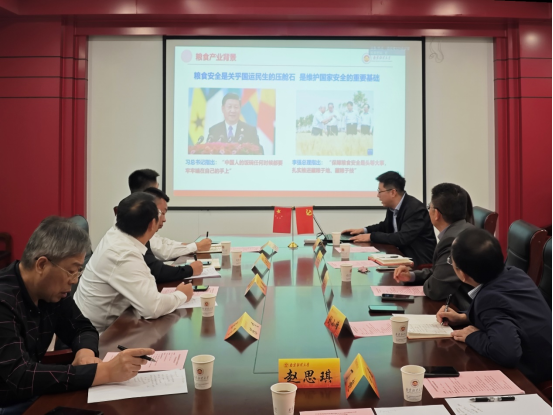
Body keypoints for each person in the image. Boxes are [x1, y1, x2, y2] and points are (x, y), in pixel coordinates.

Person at [0, 217, 155, 412]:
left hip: (34, 394)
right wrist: (104, 372)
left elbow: (82, 327)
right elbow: (20, 376)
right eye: (71, 271)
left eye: (78, 272)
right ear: (41, 265)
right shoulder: (4, 301)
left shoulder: (50, 291)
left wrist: (85, 353)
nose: (74, 281)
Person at [437, 228, 553, 384]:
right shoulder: (514, 273)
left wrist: (472, 336)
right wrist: (463, 317)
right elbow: (509, 311)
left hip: (534, 373)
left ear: (463, 275)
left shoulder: (488, 299)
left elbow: (508, 353)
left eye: (452, 262)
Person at [74, 193, 194, 334]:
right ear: (152, 224)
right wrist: (181, 295)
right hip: (95, 337)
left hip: (107, 324)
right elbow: (152, 308)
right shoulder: (123, 254)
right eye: (160, 214)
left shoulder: (117, 234)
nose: (164, 219)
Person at [393, 183, 474, 309]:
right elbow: (439, 271)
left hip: (463, 309)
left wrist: (428, 283)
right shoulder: (464, 229)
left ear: (436, 214)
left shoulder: (452, 241)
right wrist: (412, 276)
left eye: (429, 207)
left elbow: (435, 290)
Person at [344, 171, 436, 266]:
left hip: (420, 264)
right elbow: (385, 226)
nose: (378, 195)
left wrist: (371, 236)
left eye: (380, 191)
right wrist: (363, 230)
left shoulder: (414, 209)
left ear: (393, 192)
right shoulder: (392, 207)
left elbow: (402, 238)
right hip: (401, 258)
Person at [142, 187, 203, 282]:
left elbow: (163, 243)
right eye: (162, 213)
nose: (164, 219)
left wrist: (186, 245)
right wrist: (190, 270)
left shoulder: (144, 236)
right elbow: (158, 266)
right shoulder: (135, 241)